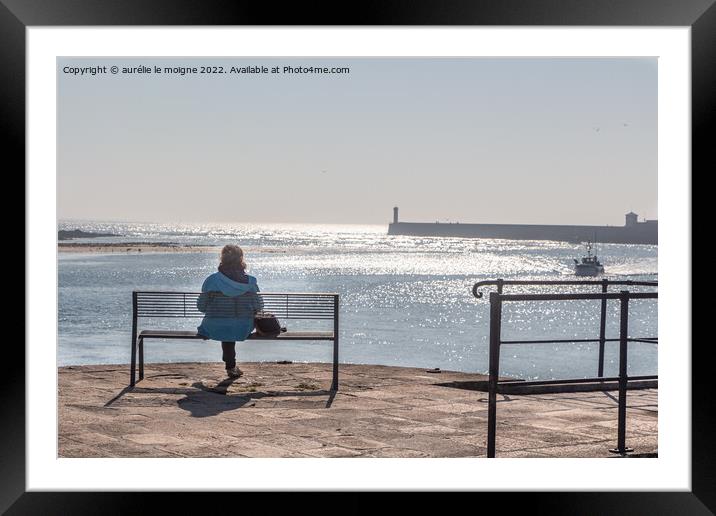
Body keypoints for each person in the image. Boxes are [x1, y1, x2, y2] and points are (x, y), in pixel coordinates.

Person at [196, 245, 263, 378]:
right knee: (230, 325)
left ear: (222, 258)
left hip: (214, 326)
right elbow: (259, 307)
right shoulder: (250, 282)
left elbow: (201, 307)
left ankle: (231, 366)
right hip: (243, 327)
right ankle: (231, 366)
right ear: (241, 259)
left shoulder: (212, 280)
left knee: (224, 324)